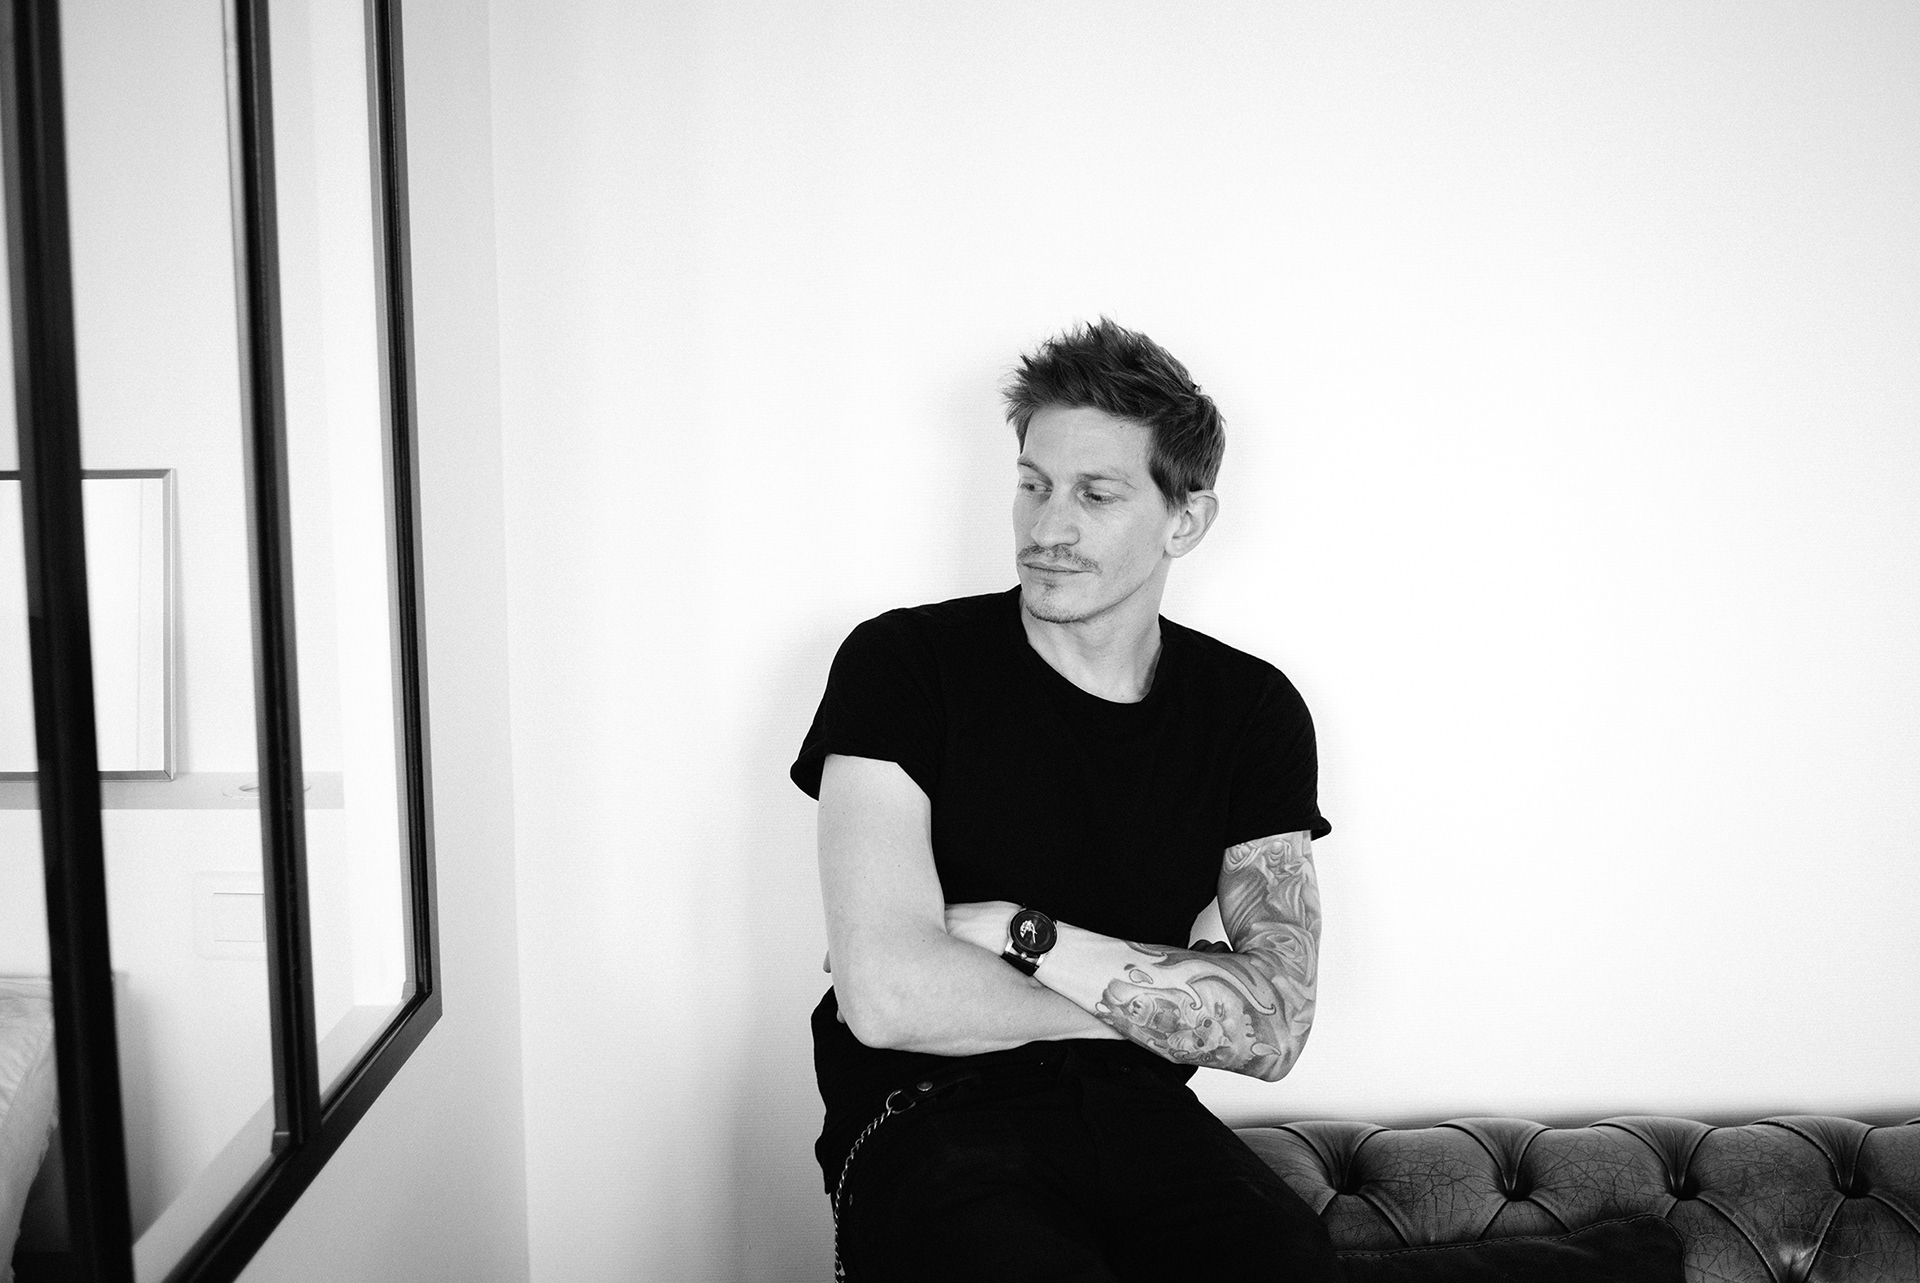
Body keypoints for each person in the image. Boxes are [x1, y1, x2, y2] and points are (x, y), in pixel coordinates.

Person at [790, 319, 1343, 1282]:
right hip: (929, 1114)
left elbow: (1278, 1023)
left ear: (1185, 520)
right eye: (1034, 484)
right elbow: (885, 998)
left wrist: (1020, 931)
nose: (1046, 528)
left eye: (1096, 493)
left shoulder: (1251, 709)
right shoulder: (903, 664)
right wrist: (1176, 994)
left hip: (1143, 1113)